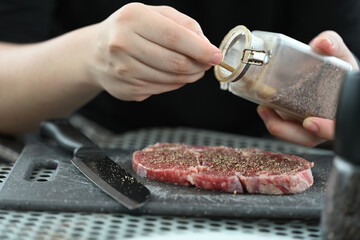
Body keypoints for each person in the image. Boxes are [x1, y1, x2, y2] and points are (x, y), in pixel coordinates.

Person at [0, 1, 359, 147]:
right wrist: (87, 55)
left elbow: (340, 60)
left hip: (276, 152)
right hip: (87, 142)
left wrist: (344, 104)